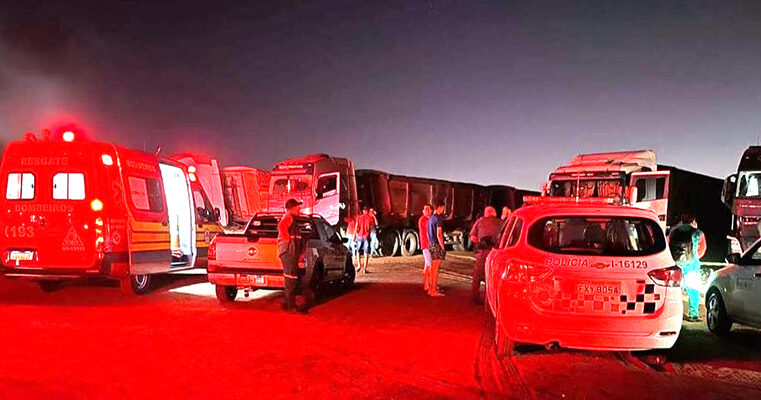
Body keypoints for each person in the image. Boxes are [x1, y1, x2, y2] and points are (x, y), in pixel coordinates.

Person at [668, 214, 707, 322]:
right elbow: (702, 249)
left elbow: (668, 245)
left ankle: (672, 314)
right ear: (693, 221)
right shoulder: (697, 233)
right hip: (691, 265)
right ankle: (693, 314)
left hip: (676, 264)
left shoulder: (674, 232)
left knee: (674, 290)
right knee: (693, 290)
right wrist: (694, 257)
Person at [277, 198, 308, 313]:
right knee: (291, 279)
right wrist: (287, 240)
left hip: (289, 252)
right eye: (298, 207)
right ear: (293, 208)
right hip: (288, 252)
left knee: (291, 278)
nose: (299, 209)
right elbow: (281, 226)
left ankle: (289, 304)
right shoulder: (288, 217)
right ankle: (291, 307)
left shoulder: (291, 218)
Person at [469, 206, 503, 303]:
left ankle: (474, 298)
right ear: (494, 213)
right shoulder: (500, 222)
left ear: (485, 213)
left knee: (477, 275)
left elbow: (472, 237)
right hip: (495, 253)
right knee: (493, 276)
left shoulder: (480, 222)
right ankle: (490, 300)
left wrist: (478, 242)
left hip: (482, 252)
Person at [427, 200, 447, 297]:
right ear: (439, 207)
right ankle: (433, 291)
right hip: (436, 245)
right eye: (443, 208)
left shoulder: (430, 218)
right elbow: (439, 234)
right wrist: (442, 246)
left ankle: (431, 288)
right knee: (435, 269)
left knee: (432, 268)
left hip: (431, 244)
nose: (443, 210)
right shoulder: (439, 219)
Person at [354, 207, 376, 273]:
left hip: (359, 237)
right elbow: (373, 226)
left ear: (363, 211)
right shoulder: (370, 218)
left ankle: (359, 266)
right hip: (366, 237)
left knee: (358, 252)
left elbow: (356, 227)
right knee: (366, 253)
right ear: (367, 211)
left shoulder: (359, 217)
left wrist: (354, 236)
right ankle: (364, 269)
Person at [418, 204, 433, 291]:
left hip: (427, 245)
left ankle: (427, 284)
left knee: (427, 265)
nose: (426, 211)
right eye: (425, 209)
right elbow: (428, 233)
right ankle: (430, 284)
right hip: (426, 245)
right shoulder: (424, 220)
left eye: (428, 209)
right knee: (430, 264)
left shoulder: (427, 219)